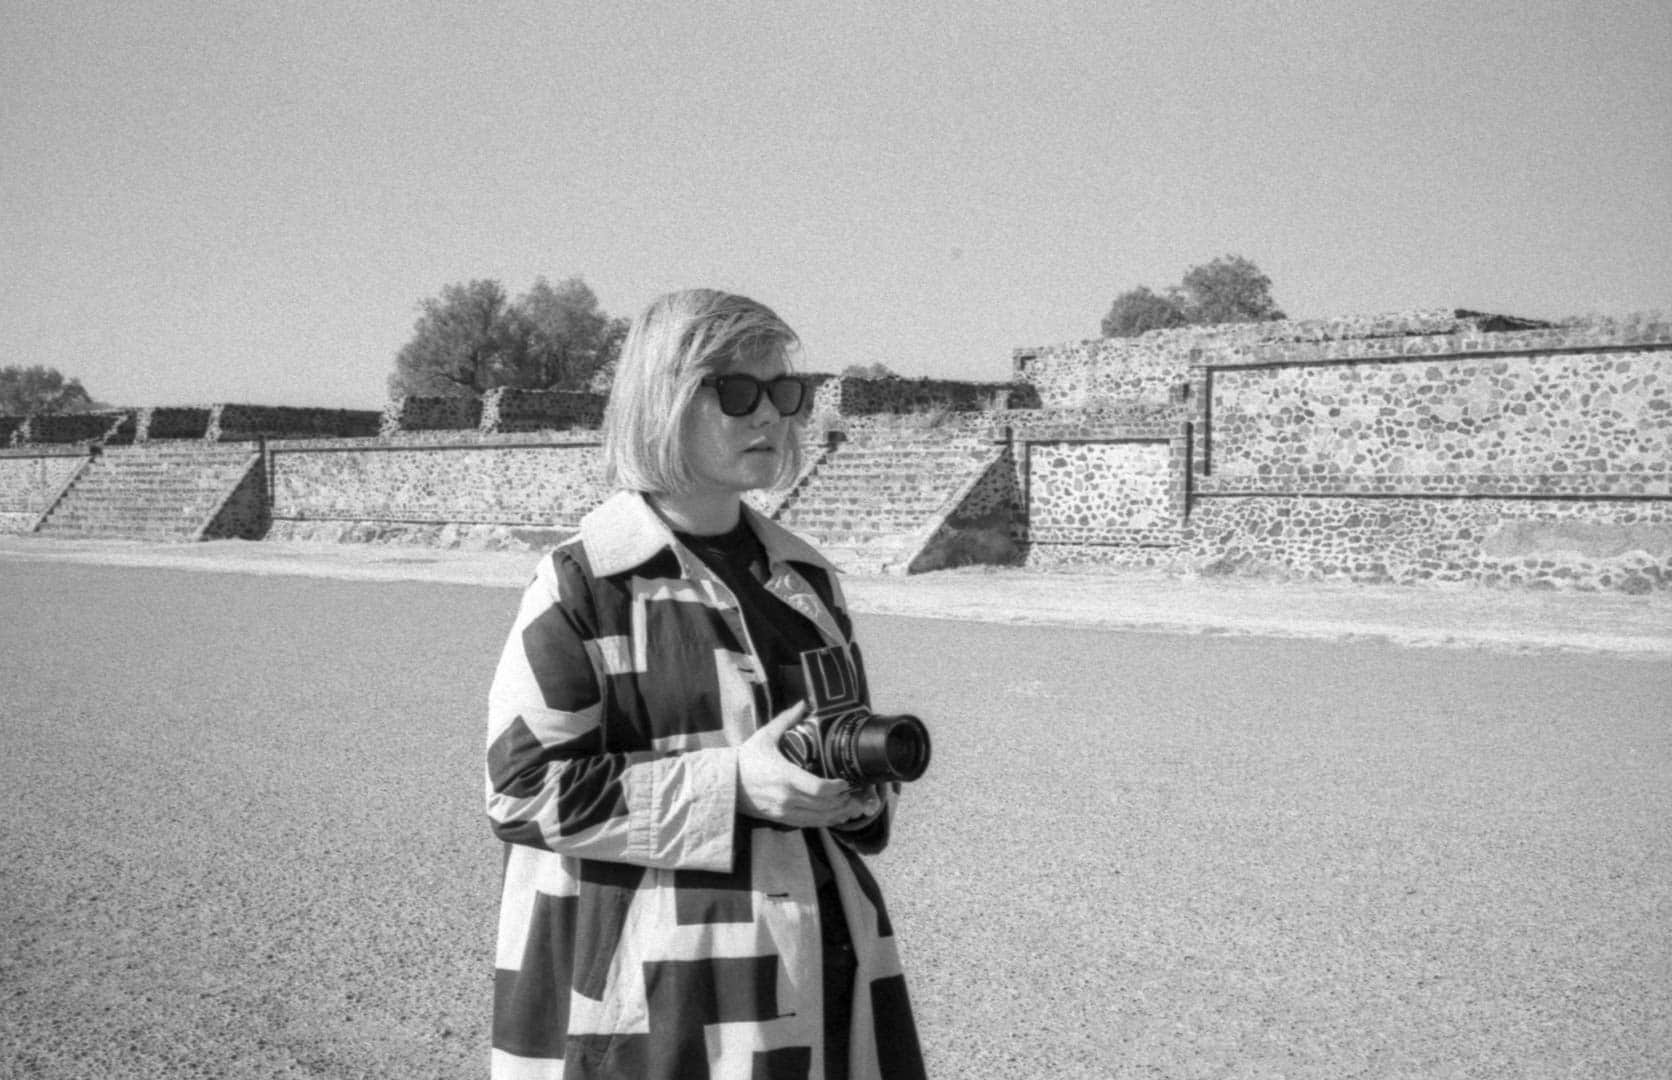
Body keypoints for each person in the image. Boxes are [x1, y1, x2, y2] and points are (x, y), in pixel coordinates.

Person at [485, 289, 926, 1079]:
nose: (771, 416)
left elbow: (842, 764)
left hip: (819, 974)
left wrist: (855, 796)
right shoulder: (584, 584)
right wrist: (733, 787)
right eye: (736, 392)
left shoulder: (807, 580)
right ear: (663, 400)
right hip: (664, 1004)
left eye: (785, 393)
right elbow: (521, 790)